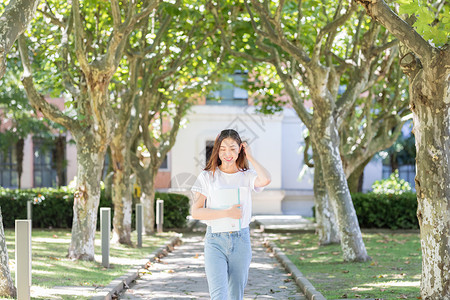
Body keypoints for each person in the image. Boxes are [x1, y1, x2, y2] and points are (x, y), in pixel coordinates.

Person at [191, 129, 271, 300]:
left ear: (240, 150)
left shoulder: (247, 176)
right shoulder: (207, 177)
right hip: (215, 241)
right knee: (218, 295)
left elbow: (266, 179)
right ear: (217, 150)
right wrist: (227, 213)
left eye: (233, 148)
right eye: (223, 148)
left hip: (241, 241)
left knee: (236, 295)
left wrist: (250, 157)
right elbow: (196, 211)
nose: (227, 153)